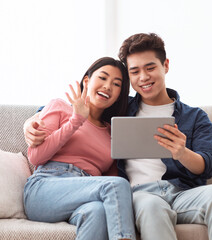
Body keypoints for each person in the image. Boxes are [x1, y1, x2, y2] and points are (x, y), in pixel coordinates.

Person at [24, 33, 212, 240]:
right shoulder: (121, 110)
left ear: (165, 66)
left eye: (150, 68)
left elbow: (207, 166)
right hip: (140, 195)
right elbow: (74, 111)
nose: (143, 77)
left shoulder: (195, 117)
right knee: (150, 207)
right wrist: (30, 123)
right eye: (135, 71)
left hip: (183, 192)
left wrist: (182, 153)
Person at [23, 57, 136, 240]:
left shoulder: (111, 132)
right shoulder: (59, 107)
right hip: (44, 188)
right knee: (117, 186)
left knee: (98, 212)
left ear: (118, 95)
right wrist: (76, 120)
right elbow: (36, 157)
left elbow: (112, 179)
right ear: (86, 81)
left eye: (116, 84)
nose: (108, 86)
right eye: (103, 78)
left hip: (86, 194)